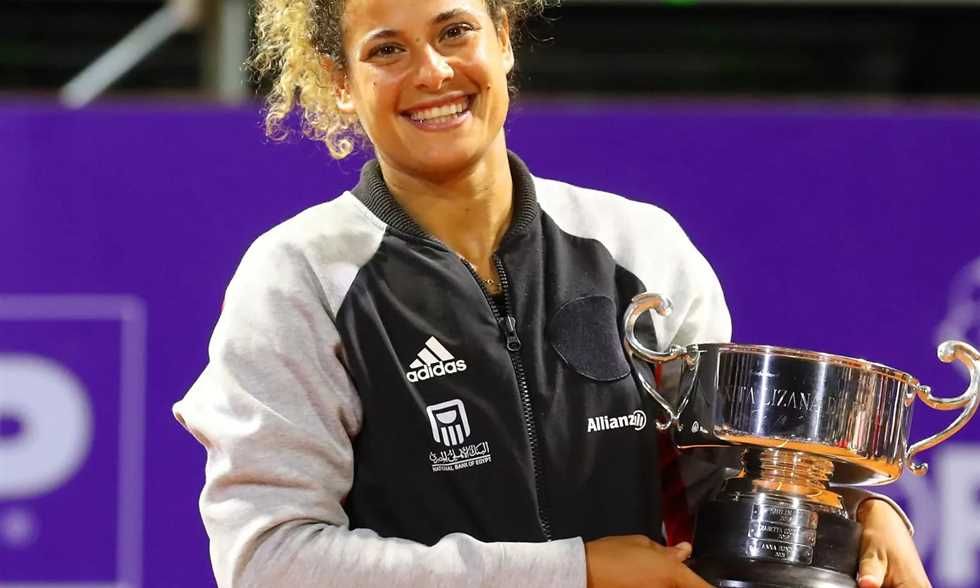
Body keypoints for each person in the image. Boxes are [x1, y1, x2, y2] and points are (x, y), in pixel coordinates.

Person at [173, 0, 931, 586]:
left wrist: (853, 518)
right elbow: (270, 560)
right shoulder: (299, 277)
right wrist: (575, 572)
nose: (432, 72)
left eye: (455, 32)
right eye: (387, 50)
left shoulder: (640, 247)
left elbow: (724, 490)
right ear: (341, 83)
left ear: (504, 40)